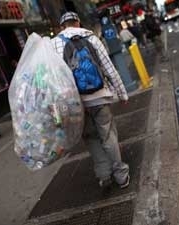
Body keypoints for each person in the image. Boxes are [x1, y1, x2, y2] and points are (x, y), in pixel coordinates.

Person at [51, 12, 130, 190]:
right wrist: (122, 93)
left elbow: (55, 81)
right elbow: (108, 68)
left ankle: (104, 176)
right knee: (108, 136)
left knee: (91, 138)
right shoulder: (91, 37)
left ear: (62, 26)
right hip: (99, 97)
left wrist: (57, 112)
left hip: (76, 104)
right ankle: (121, 176)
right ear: (77, 22)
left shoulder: (54, 44)